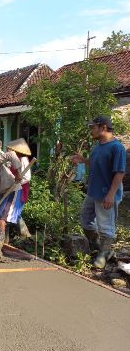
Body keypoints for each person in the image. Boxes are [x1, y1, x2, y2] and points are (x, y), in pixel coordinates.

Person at [71, 115, 126, 269]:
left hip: (106, 194)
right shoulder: (98, 146)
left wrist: (111, 194)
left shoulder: (117, 147)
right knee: (86, 220)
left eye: (93, 127)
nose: (91, 131)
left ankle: (104, 253)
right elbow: (95, 163)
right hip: (93, 192)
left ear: (103, 127)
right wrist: (83, 160)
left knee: (105, 226)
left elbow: (120, 173)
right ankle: (99, 248)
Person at [6, 138, 33, 239]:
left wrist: (16, 182)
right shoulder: (14, 159)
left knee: (12, 211)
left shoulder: (23, 159)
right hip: (13, 187)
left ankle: (23, 235)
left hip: (20, 188)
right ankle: (25, 235)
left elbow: (27, 177)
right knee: (13, 212)